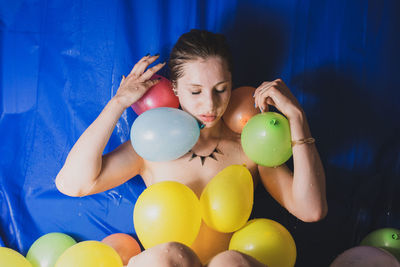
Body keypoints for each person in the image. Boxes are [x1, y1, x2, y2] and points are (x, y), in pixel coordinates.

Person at [55, 29, 328, 267]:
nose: (209, 105)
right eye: (195, 92)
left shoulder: (249, 146)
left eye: (220, 89)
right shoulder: (151, 146)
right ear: (175, 88)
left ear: (232, 85)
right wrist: (117, 104)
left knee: (229, 262)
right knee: (165, 257)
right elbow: (72, 184)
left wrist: (297, 119)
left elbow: (311, 209)